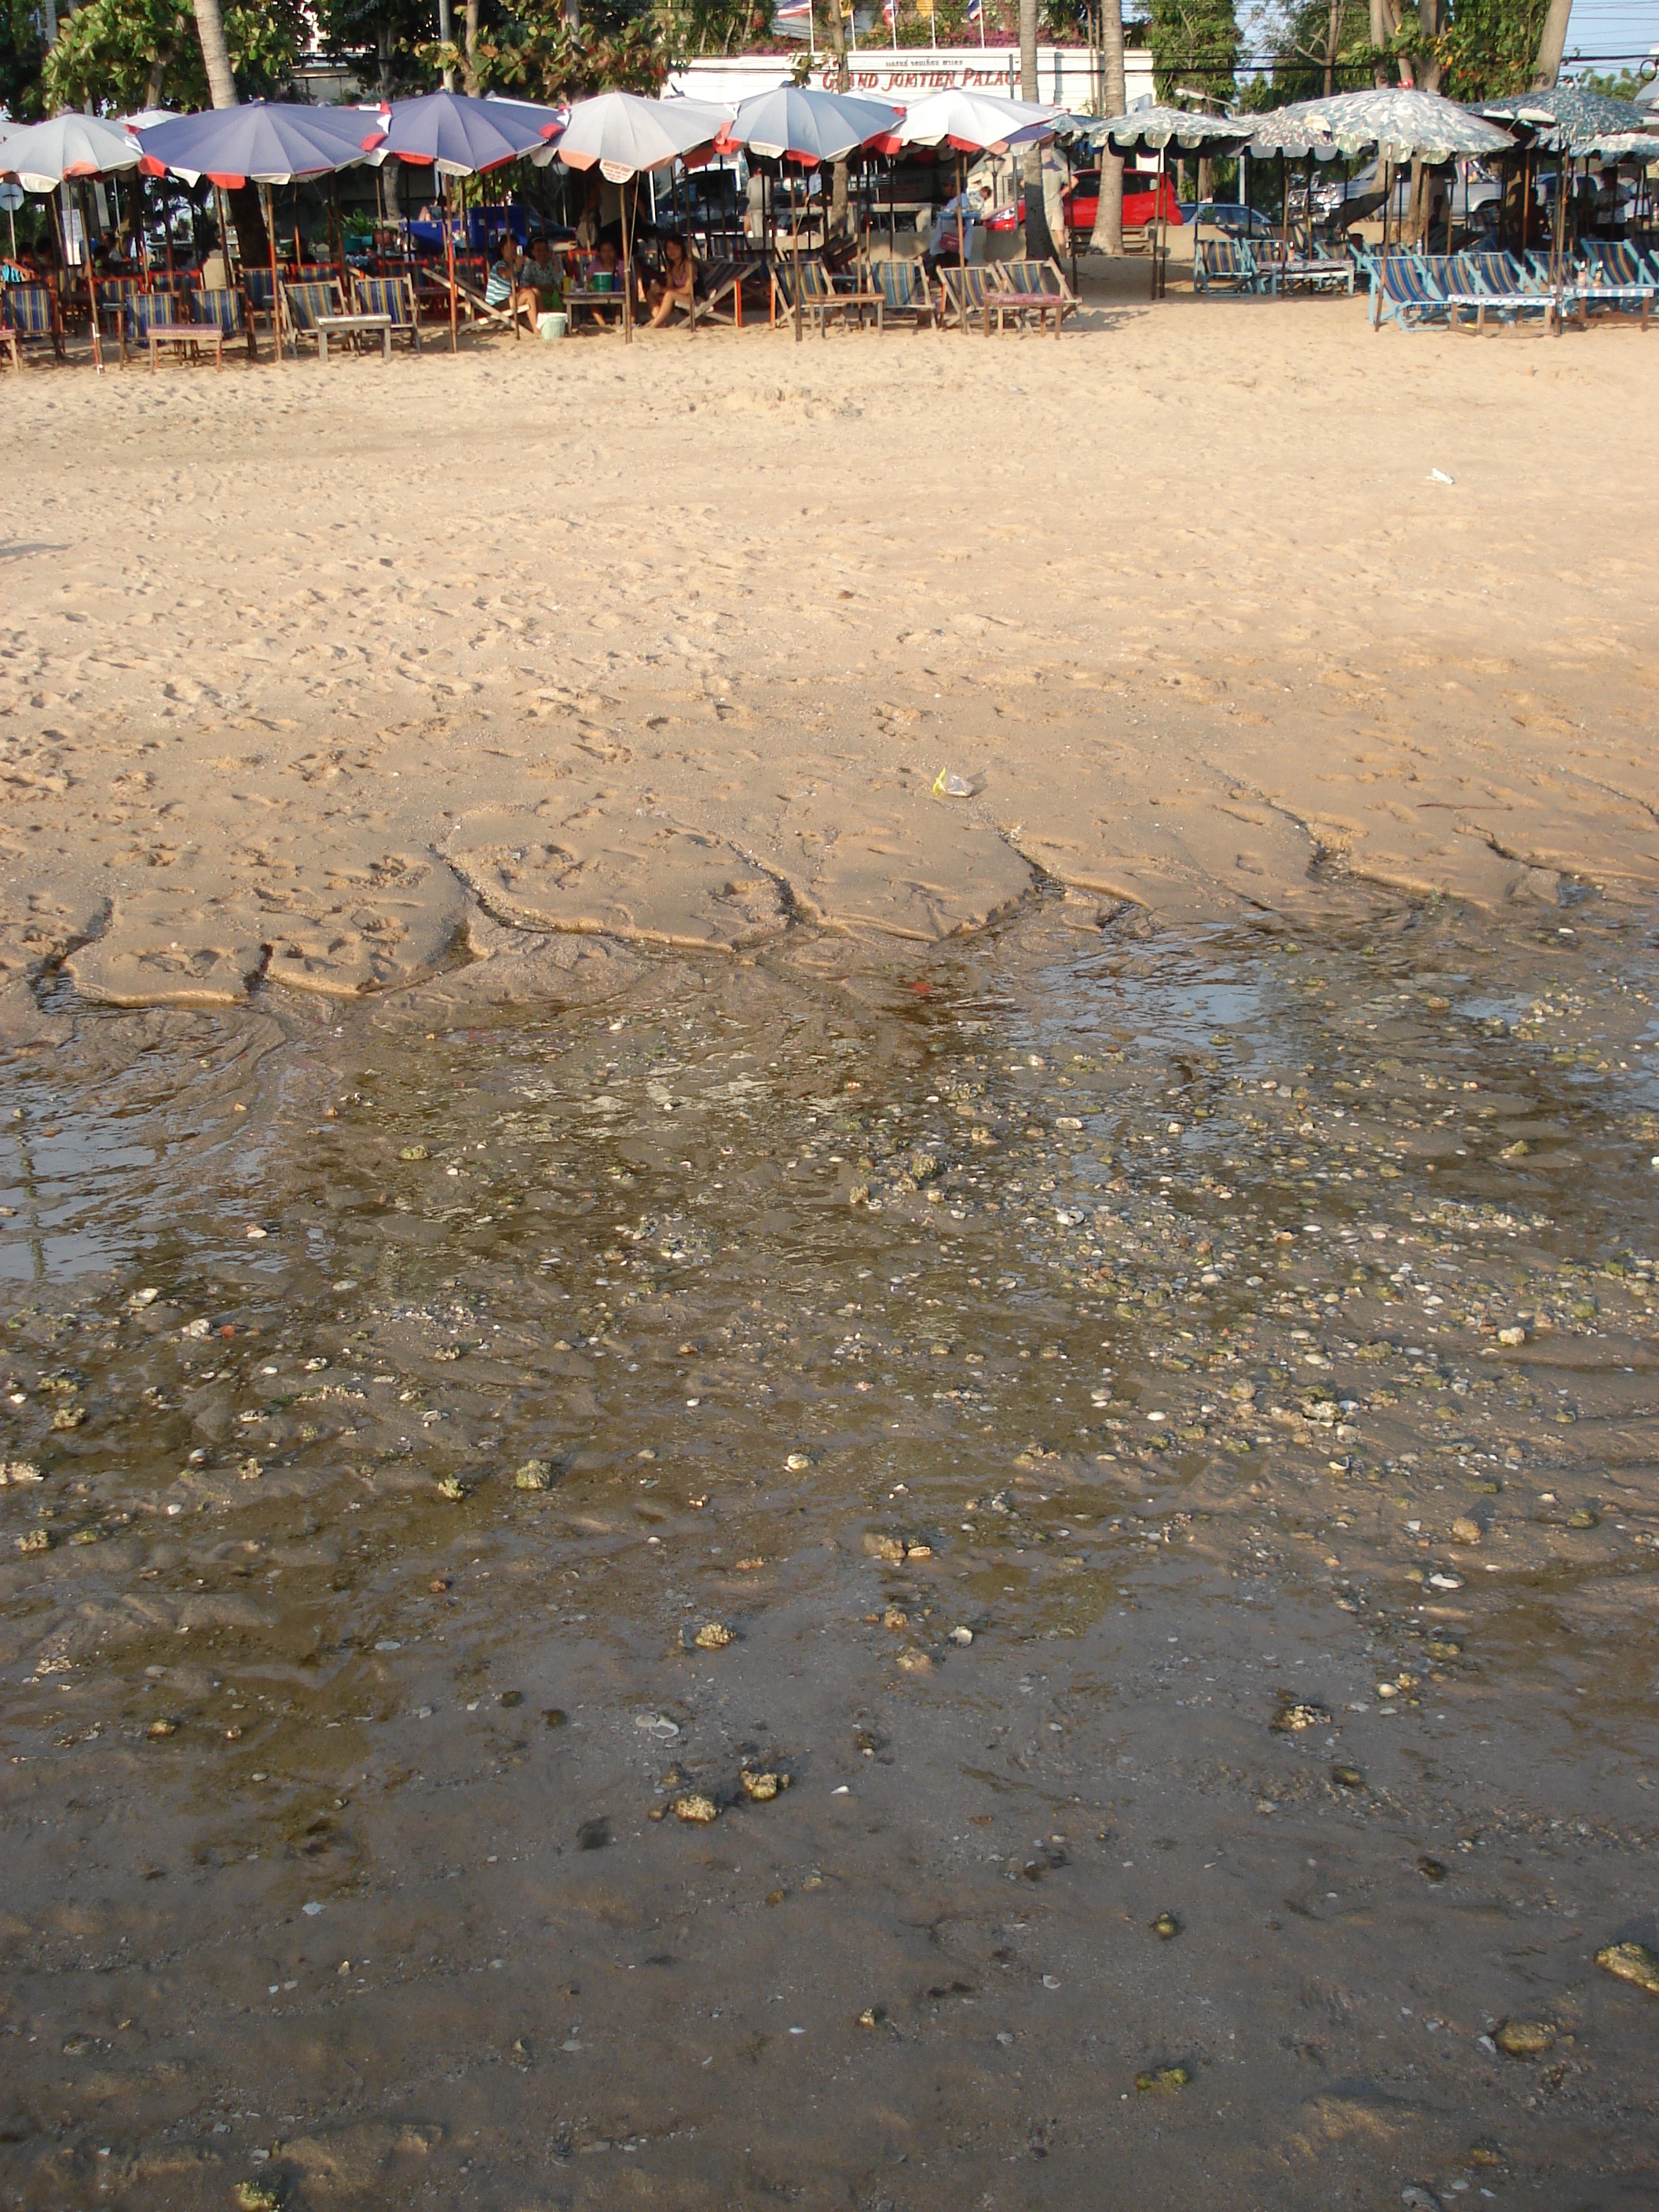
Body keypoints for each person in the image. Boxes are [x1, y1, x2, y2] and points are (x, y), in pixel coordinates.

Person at [645, 232, 697, 328]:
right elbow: (670, 287)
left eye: (675, 248)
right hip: (678, 296)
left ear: (682, 249)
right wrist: (658, 290)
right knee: (650, 293)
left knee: (669, 295)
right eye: (669, 248)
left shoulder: (688, 265)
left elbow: (688, 290)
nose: (672, 251)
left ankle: (654, 325)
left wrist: (662, 290)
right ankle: (660, 321)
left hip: (694, 298)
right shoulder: (670, 267)